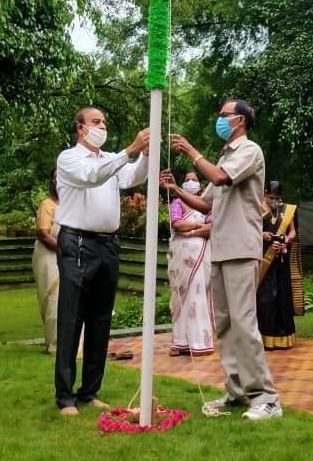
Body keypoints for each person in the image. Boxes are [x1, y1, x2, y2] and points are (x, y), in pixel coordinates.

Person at [162, 98, 282, 420]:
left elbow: (218, 178)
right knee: (226, 325)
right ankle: (236, 391)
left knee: (244, 323)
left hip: (242, 248)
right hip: (221, 249)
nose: (220, 119)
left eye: (224, 115)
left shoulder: (249, 152)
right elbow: (205, 205)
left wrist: (191, 151)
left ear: (240, 120)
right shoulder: (225, 158)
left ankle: (267, 398)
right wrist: (175, 189)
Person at [53, 108, 149, 416]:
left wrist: (144, 155)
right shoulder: (68, 159)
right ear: (80, 128)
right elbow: (90, 177)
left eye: (104, 121)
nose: (102, 126)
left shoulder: (109, 159)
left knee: (100, 319)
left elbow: (132, 176)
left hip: (108, 244)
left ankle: (90, 391)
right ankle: (65, 397)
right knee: (72, 319)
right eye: (96, 122)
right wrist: (130, 149)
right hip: (77, 242)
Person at [167, 170, 215, 357]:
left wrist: (192, 233)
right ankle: (181, 341)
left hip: (201, 258)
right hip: (181, 258)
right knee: (181, 298)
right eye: (187, 180)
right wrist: (197, 226)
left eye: (194, 179)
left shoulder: (206, 206)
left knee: (198, 296)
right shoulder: (177, 203)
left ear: (200, 185)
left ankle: (200, 342)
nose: (191, 182)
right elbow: (177, 225)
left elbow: (212, 227)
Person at [257, 181, 305, 350]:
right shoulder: (255, 207)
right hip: (262, 258)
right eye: (271, 197)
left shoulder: (287, 209)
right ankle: (263, 337)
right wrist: (262, 234)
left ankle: (284, 337)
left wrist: (286, 240)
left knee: (282, 296)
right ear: (265, 193)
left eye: (278, 198)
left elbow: (292, 231)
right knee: (265, 298)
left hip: (281, 258)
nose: (275, 201)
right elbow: (248, 229)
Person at [32, 170, 60, 354]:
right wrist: (65, 250)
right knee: (54, 299)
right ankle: (55, 345)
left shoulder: (74, 205)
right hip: (49, 256)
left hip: (69, 257)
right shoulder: (47, 205)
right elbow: (43, 233)